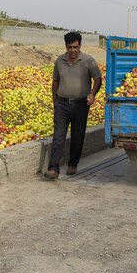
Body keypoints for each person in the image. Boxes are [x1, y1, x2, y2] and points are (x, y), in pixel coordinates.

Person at [43, 31, 102, 180]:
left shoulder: (88, 60)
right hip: (62, 104)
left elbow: (98, 79)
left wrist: (92, 94)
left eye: (76, 47)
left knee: (77, 136)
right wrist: (55, 101)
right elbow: (55, 82)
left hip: (81, 105)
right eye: (70, 47)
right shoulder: (59, 61)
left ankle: (72, 164)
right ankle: (53, 169)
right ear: (66, 46)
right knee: (58, 136)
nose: (73, 50)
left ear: (80, 46)